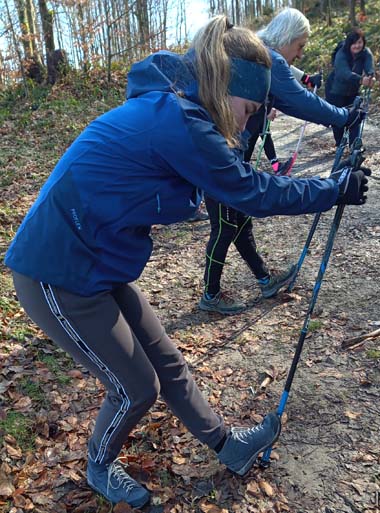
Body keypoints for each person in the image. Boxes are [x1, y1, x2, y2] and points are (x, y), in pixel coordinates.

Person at [4, 15, 370, 508]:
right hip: (56, 269)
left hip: (98, 260)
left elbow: (228, 176)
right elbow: (250, 191)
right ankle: (99, 464)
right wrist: (331, 190)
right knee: (135, 388)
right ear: (226, 90)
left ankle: (228, 446)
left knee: (168, 364)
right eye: (249, 109)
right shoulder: (179, 121)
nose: (249, 120)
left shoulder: (182, 110)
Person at [325, 28, 375, 146]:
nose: (357, 46)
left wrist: (370, 76)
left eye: (360, 42)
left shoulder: (365, 53)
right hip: (335, 91)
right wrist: (361, 80)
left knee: (355, 117)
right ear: (349, 43)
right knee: (338, 119)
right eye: (354, 43)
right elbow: (344, 73)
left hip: (353, 92)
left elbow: (369, 66)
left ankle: (354, 147)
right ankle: (340, 144)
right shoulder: (341, 54)